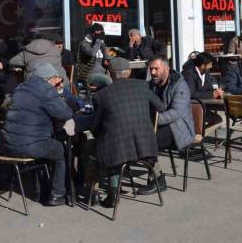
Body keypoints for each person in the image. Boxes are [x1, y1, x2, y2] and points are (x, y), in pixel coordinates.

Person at [90, 58, 165, 207]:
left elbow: (95, 127)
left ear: (109, 74)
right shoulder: (142, 86)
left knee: (91, 150)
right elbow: (160, 107)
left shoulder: (101, 95)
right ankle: (159, 179)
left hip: (118, 152)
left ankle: (107, 193)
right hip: (146, 145)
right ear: (129, 72)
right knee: (116, 146)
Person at [0, 63, 73, 206]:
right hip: (29, 146)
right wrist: (59, 97)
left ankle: (42, 190)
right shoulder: (46, 90)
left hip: (8, 144)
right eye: (56, 81)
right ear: (49, 79)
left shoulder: (21, 87)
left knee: (44, 146)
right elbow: (65, 113)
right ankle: (58, 194)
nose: (57, 83)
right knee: (60, 149)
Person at [141, 57, 196, 195]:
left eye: (156, 69)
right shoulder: (152, 84)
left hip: (179, 129)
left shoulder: (180, 85)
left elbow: (176, 113)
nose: (152, 72)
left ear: (166, 69)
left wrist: (151, 121)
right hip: (159, 125)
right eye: (151, 69)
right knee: (138, 138)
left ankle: (158, 180)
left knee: (146, 142)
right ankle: (156, 175)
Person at [182, 52, 224, 127]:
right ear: (202, 65)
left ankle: (200, 133)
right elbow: (191, 94)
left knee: (218, 119)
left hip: (201, 107)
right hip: (188, 109)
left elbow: (209, 89)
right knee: (217, 120)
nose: (211, 66)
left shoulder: (205, 73)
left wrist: (216, 92)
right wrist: (211, 94)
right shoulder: (189, 73)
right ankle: (199, 134)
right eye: (209, 64)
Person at [74, 23, 111, 89]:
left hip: (102, 73)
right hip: (89, 75)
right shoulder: (85, 44)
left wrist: (107, 58)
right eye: (97, 32)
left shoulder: (99, 42)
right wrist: (99, 41)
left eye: (101, 33)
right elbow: (92, 53)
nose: (99, 35)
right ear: (93, 33)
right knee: (107, 80)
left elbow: (106, 56)